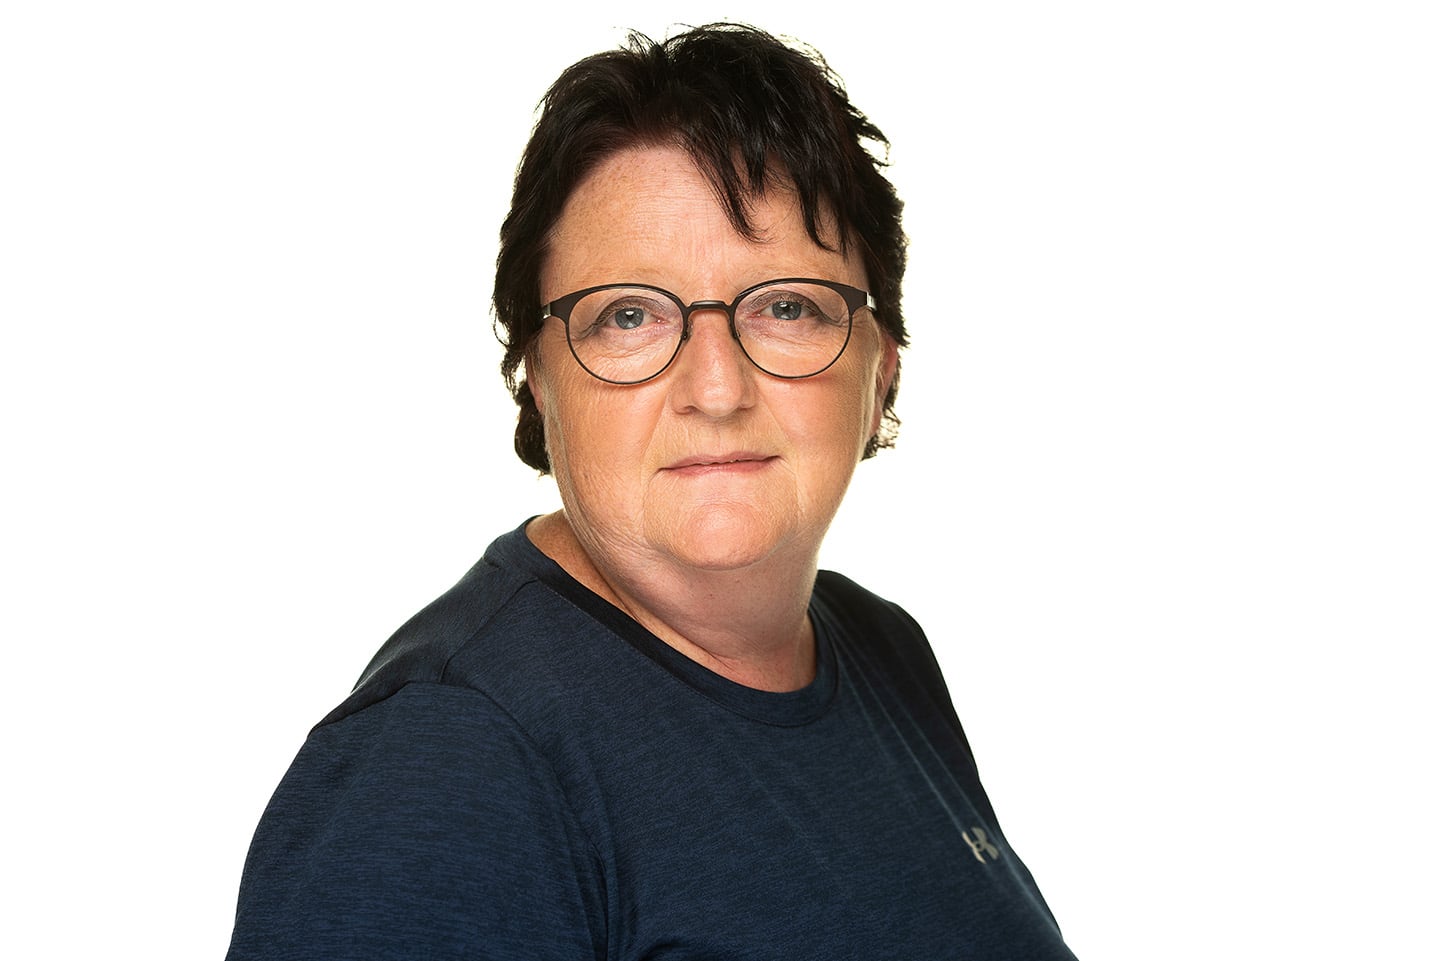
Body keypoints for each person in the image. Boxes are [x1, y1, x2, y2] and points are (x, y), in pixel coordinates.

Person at [226, 23, 1077, 960]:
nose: (716, 388)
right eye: (628, 315)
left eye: (786, 305)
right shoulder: (444, 761)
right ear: (538, 380)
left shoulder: (885, 651)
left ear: (882, 368)